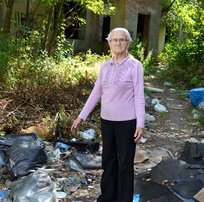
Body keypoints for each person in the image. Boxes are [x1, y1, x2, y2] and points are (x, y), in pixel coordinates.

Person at [70, 27, 145, 202]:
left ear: (128, 43)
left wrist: (140, 124)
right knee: (108, 161)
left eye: (122, 40)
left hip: (127, 122)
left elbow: (139, 96)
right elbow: (96, 93)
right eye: (114, 40)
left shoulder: (135, 65)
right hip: (107, 121)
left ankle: (124, 199)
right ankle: (107, 197)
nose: (118, 43)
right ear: (109, 43)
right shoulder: (105, 65)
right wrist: (81, 117)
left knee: (125, 164)